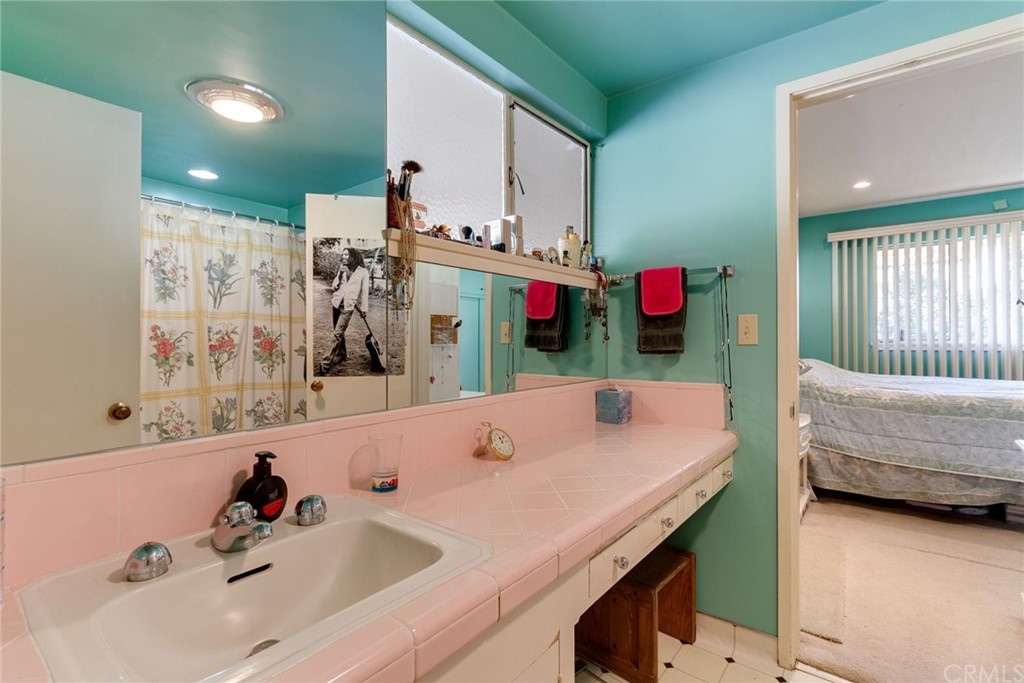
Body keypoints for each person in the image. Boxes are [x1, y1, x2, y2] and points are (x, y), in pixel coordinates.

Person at [321, 247, 369, 372]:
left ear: (353, 256)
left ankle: (325, 363)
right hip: (336, 303)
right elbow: (334, 287)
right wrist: (340, 274)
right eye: (343, 254)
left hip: (348, 307)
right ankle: (342, 354)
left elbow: (364, 292)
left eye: (346, 254)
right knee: (338, 332)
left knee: (337, 334)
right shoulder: (342, 268)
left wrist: (364, 309)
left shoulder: (363, 272)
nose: (344, 256)